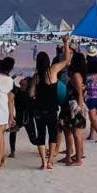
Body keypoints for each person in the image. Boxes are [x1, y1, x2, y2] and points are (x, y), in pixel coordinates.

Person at [29, 35, 71, 169]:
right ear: (47, 61)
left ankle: (43, 162)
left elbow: (31, 94)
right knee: (52, 134)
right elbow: (66, 60)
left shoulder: (36, 77)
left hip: (39, 109)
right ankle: (50, 162)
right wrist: (65, 43)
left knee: (41, 135)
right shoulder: (52, 71)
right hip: (52, 109)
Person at [60, 51, 86, 165]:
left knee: (76, 133)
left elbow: (80, 93)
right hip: (72, 105)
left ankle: (79, 159)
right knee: (72, 131)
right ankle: (73, 156)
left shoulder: (76, 75)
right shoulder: (78, 74)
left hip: (74, 106)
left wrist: (79, 108)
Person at [84, 50, 97, 143]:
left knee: (92, 118)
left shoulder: (87, 76)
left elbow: (85, 87)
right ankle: (91, 134)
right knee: (94, 118)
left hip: (91, 98)